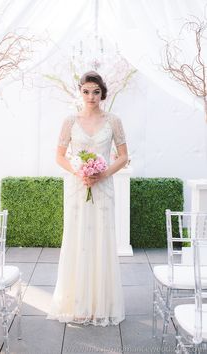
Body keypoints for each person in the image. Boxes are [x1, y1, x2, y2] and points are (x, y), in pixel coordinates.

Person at [47, 71, 129, 326]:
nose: (91, 96)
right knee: (77, 238)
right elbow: (59, 156)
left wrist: (101, 174)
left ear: (102, 93)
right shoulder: (69, 121)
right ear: (80, 92)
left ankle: (102, 303)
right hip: (77, 186)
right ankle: (78, 303)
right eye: (86, 91)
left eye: (96, 91)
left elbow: (123, 156)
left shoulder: (114, 121)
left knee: (101, 239)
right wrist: (80, 171)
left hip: (103, 188)